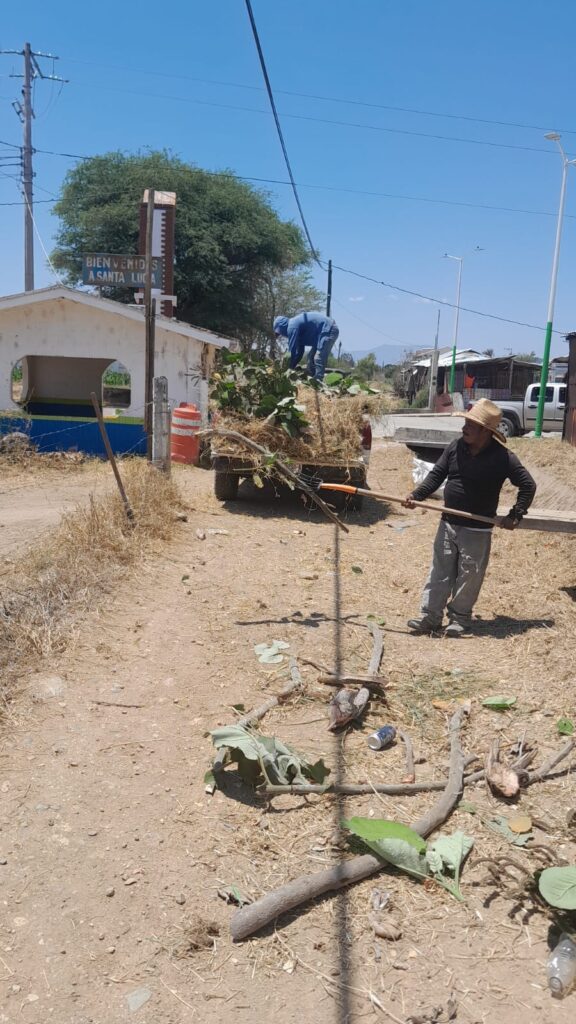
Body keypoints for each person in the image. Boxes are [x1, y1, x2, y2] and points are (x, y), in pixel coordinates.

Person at [402, 398, 536, 638]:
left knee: (469, 575)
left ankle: (459, 620)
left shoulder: (503, 457)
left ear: (486, 431)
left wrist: (515, 516)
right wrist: (416, 496)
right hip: (449, 522)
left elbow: (528, 485)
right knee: (440, 571)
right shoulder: (455, 447)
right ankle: (430, 617)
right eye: (465, 423)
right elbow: (436, 476)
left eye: (471, 425)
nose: (464, 428)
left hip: (478, 528)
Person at [273, 311, 339, 381]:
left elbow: (291, 352)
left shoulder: (292, 326)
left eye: (280, 332)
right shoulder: (296, 330)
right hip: (321, 333)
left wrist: (286, 369)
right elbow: (299, 353)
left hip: (328, 329)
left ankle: (318, 381)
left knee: (319, 357)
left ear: (283, 326)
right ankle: (313, 378)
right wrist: (291, 368)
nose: (282, 335)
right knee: (311, 357)